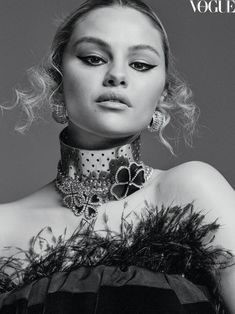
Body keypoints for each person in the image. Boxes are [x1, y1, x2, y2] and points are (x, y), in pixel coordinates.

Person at [0, 0, 235, 313]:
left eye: (140, 64)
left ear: (163, 94)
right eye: (94, 58)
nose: (117, 75)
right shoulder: (5, 228)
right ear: (58, 84)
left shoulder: (191, 191)